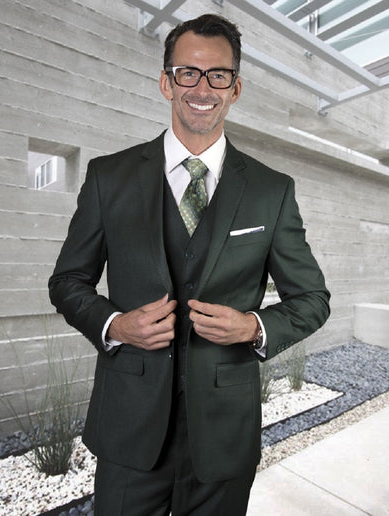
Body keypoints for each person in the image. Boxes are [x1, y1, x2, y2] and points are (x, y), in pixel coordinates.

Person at [49, 13, 330, 515]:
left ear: (235, 88)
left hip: (223, 435)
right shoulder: (108, 177)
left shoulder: (272, 190)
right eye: (188, 73)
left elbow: (312, 299)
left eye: (218, 75)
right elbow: (68, 281)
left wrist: (253, 327)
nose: (203, 88)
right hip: (129, 428)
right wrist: (115, 325)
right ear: (167, 82)